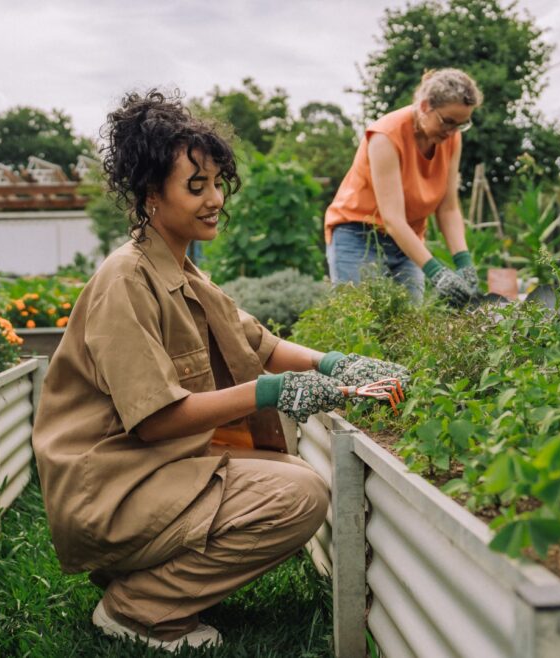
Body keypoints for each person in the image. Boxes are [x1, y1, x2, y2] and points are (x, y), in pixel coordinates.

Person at [30, 90, 408, 651]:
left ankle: (141, 579)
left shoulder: (180, 269)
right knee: (298, 495)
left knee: (277, 465)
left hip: (150, 472)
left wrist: (335, 363)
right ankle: (138, 609)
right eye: (195, 186)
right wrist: (271, 393)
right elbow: (156, 422)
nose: (214, 200)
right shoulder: (126, 281)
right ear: (151, 194)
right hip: (112, 490)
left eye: (216, 184)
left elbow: (259, 342)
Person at [324, 68, 483, 306]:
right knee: (360, 324)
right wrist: (437, 272)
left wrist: (464, 263)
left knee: (409, 327)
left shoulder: (451, 138)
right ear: (425, 106)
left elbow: (448, 208)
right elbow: (393, 219)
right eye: (448, 122)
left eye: (461, 125)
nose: (452, 133)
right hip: (358, 235)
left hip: (408, 239)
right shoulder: (386, 136)